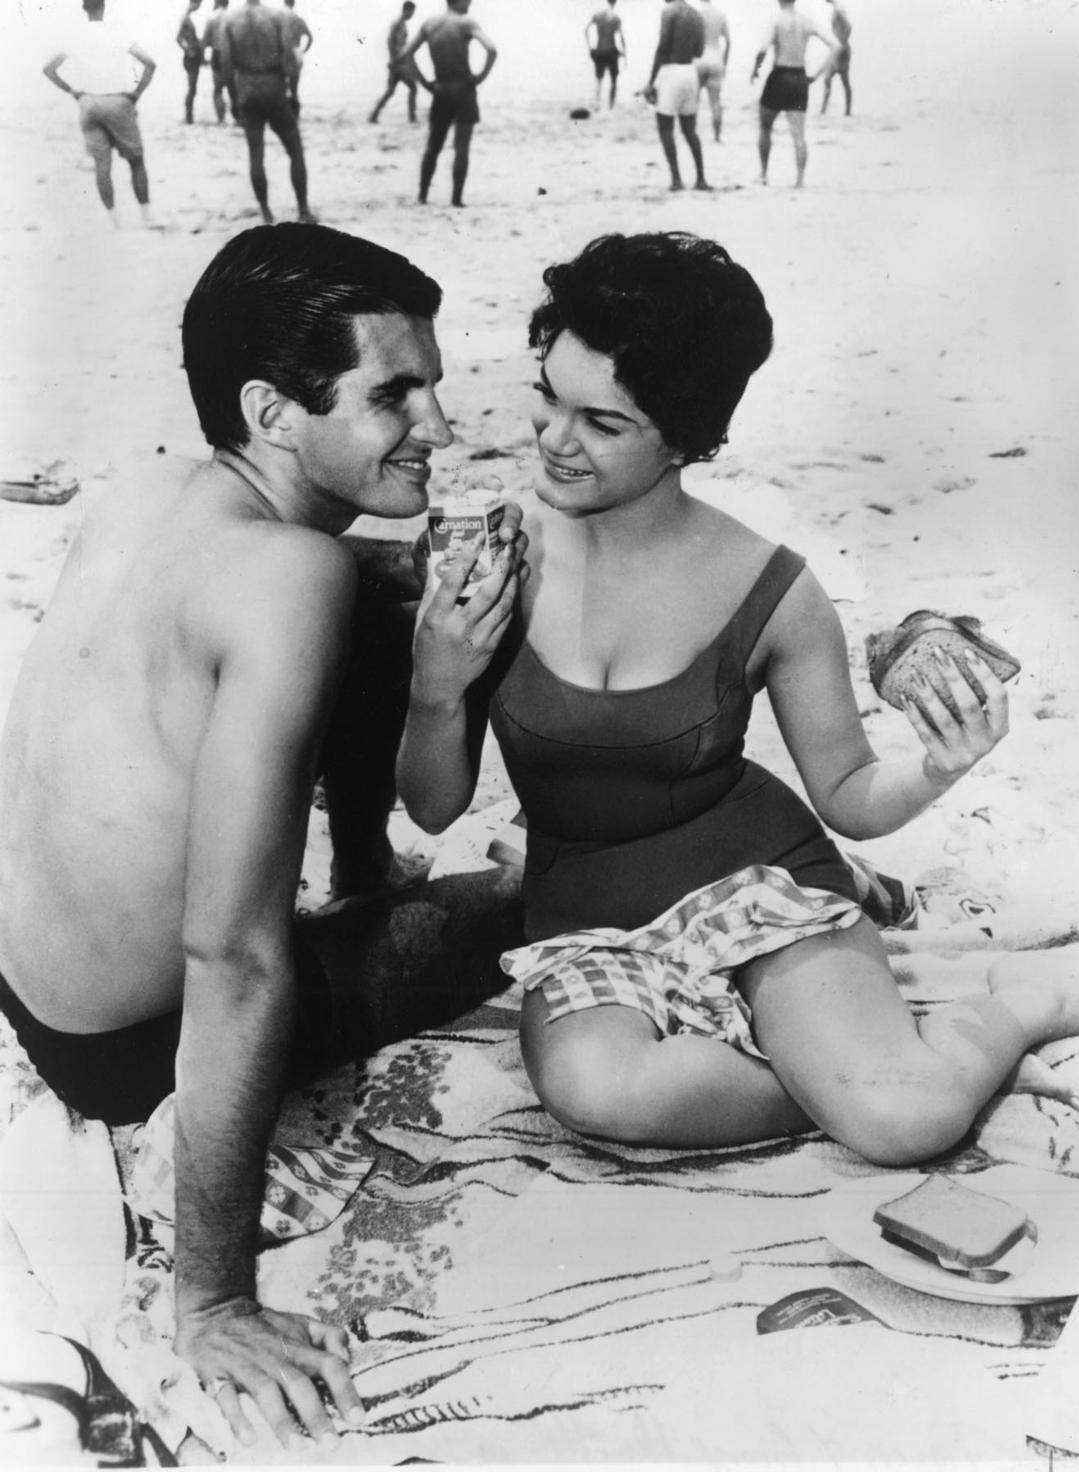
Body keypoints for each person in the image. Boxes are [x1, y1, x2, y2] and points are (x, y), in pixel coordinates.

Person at [396, 229, 1079, 1164]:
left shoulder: (771, 587)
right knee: (598, 1094)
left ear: (684, 438)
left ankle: (1027, 1004)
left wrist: (938, 769)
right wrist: (436, 687)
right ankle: (864, 1065)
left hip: (761, 881)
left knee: (902, 1126)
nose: (553, 438)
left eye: (603, 423)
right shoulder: (484, 558)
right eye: (549, 395)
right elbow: (432, 808)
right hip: (587, 918)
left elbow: (850, 798)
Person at [0, 222, 526, 1449]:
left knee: (370, 598)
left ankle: (362, 869)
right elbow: (233, 962)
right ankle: (389, 892)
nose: (442, 426)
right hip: (130, 1040)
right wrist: (216, 1297)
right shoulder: (292, 581)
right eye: (396, 394)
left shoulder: (163, 492)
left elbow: (338, 583)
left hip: (26, 977)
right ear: (273, 410)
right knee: (531, 900)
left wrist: (423, 581)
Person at [42, 0, 157, 229]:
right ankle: (146, 216)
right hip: (117, 101)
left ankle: (115, 223)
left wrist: (73, 92)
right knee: (136, 161)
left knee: (102, 166)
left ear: (84, 8)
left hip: (89, 103)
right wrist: (136, 94)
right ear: (104, 7)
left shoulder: (74, 37)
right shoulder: (116, 32)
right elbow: (150, 63)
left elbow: (49, 69)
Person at [219, 0, 314, 222]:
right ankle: (303, 210)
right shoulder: (277, 16)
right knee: (295, 150)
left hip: (246, 87)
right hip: (273, 85)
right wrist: (292, 91)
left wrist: (233, 99)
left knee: (256, 153)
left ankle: (266, 212)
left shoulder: (230, 20)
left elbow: (225, 63)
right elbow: (288, 58)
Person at [398, 0, 497, 208]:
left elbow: (407, 53)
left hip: (441, 90)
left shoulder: (430, 24)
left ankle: (423, 196)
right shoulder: (466, 23)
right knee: (462, 148)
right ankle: (456, 200)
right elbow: (491, 50)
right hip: (463, 90)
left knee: (433, 146)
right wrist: (479, 78)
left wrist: (425, 83)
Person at [750, 0, 839, 188]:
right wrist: (817, 74)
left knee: (765, 127)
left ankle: (764, 174)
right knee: (799, 134)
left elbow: (762, 49)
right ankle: (800, 180)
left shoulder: (776, 20)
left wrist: (755, 69)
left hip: (780, 75)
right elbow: (836, 46)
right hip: (799, 78)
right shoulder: (806, 21)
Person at [644, 0, 708, 192]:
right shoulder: (696, 14)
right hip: (690, 72)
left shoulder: (669, 11)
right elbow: (699, 50)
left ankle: (677, 180)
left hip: (671, 72)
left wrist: (651, 81)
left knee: (665, 127)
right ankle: (701, 179)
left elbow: (662, 47)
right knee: (690, 130)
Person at [369, 2, 419, 125]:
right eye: (412, 12)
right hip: (398, 64)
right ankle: (412, 119)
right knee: (413, 88)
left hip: (397, 63)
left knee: (390, 91)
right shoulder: (397, 24)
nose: (412, 15)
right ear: (407, 10)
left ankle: (374, 115)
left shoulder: (401, 24)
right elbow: (390, 41)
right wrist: (394, 59)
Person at [695, 0, 729, 142]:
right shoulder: (720, 14)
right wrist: (724, 64)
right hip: (715, 57)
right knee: (715, 102)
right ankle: (717, 136)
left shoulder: (695, 13)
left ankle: (692, 133)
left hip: (699, 58)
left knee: (694, 100)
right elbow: (728, 42)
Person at [585, 0, 624, 111]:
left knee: (598, 79)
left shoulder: (598, 15)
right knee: (613, 81)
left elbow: (586, 30)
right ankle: (610, 107)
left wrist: (590, 48)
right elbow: (621, 37)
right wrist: (624, 53)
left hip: (600, 50)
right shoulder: (616, 18)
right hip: (611, 51)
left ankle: (597, 105)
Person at [820, 0, 853, 116]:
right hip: (839, 48)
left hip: (841, 50)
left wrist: (841, 43)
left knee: (835, 79)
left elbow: (849, 26)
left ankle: (825, 111)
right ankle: (846, 112)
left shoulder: (838, 9)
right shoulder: (837, 8)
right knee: (833, 80)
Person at [280, 0, 313, 117]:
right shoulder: (299, 19)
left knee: (281, 87)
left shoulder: (278, 16)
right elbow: (310, 37)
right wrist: (303, 51)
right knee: (294, 89)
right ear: (293, 4)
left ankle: (283, 115)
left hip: (282, 53)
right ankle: (295, 116)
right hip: (296, 54)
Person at [176, 0, 206, 124]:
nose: (199, 7)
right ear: (194, 3)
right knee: (192, 87)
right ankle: (189, 117)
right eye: (199, 4)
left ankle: (189, 117)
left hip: (194, 57)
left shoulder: (188, 18)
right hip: (191, 58)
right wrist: (187, 49)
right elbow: (178, 38)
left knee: (192, 87)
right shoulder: (185, 18)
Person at [201, 0, 230, 124]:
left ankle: (221, 118)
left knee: (218, 89)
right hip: (231, 56)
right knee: (234, 88)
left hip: (217, 55)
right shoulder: (232, 16)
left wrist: (202, 59)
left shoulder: (212, 17)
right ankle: (238, 119)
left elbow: (205, 41)